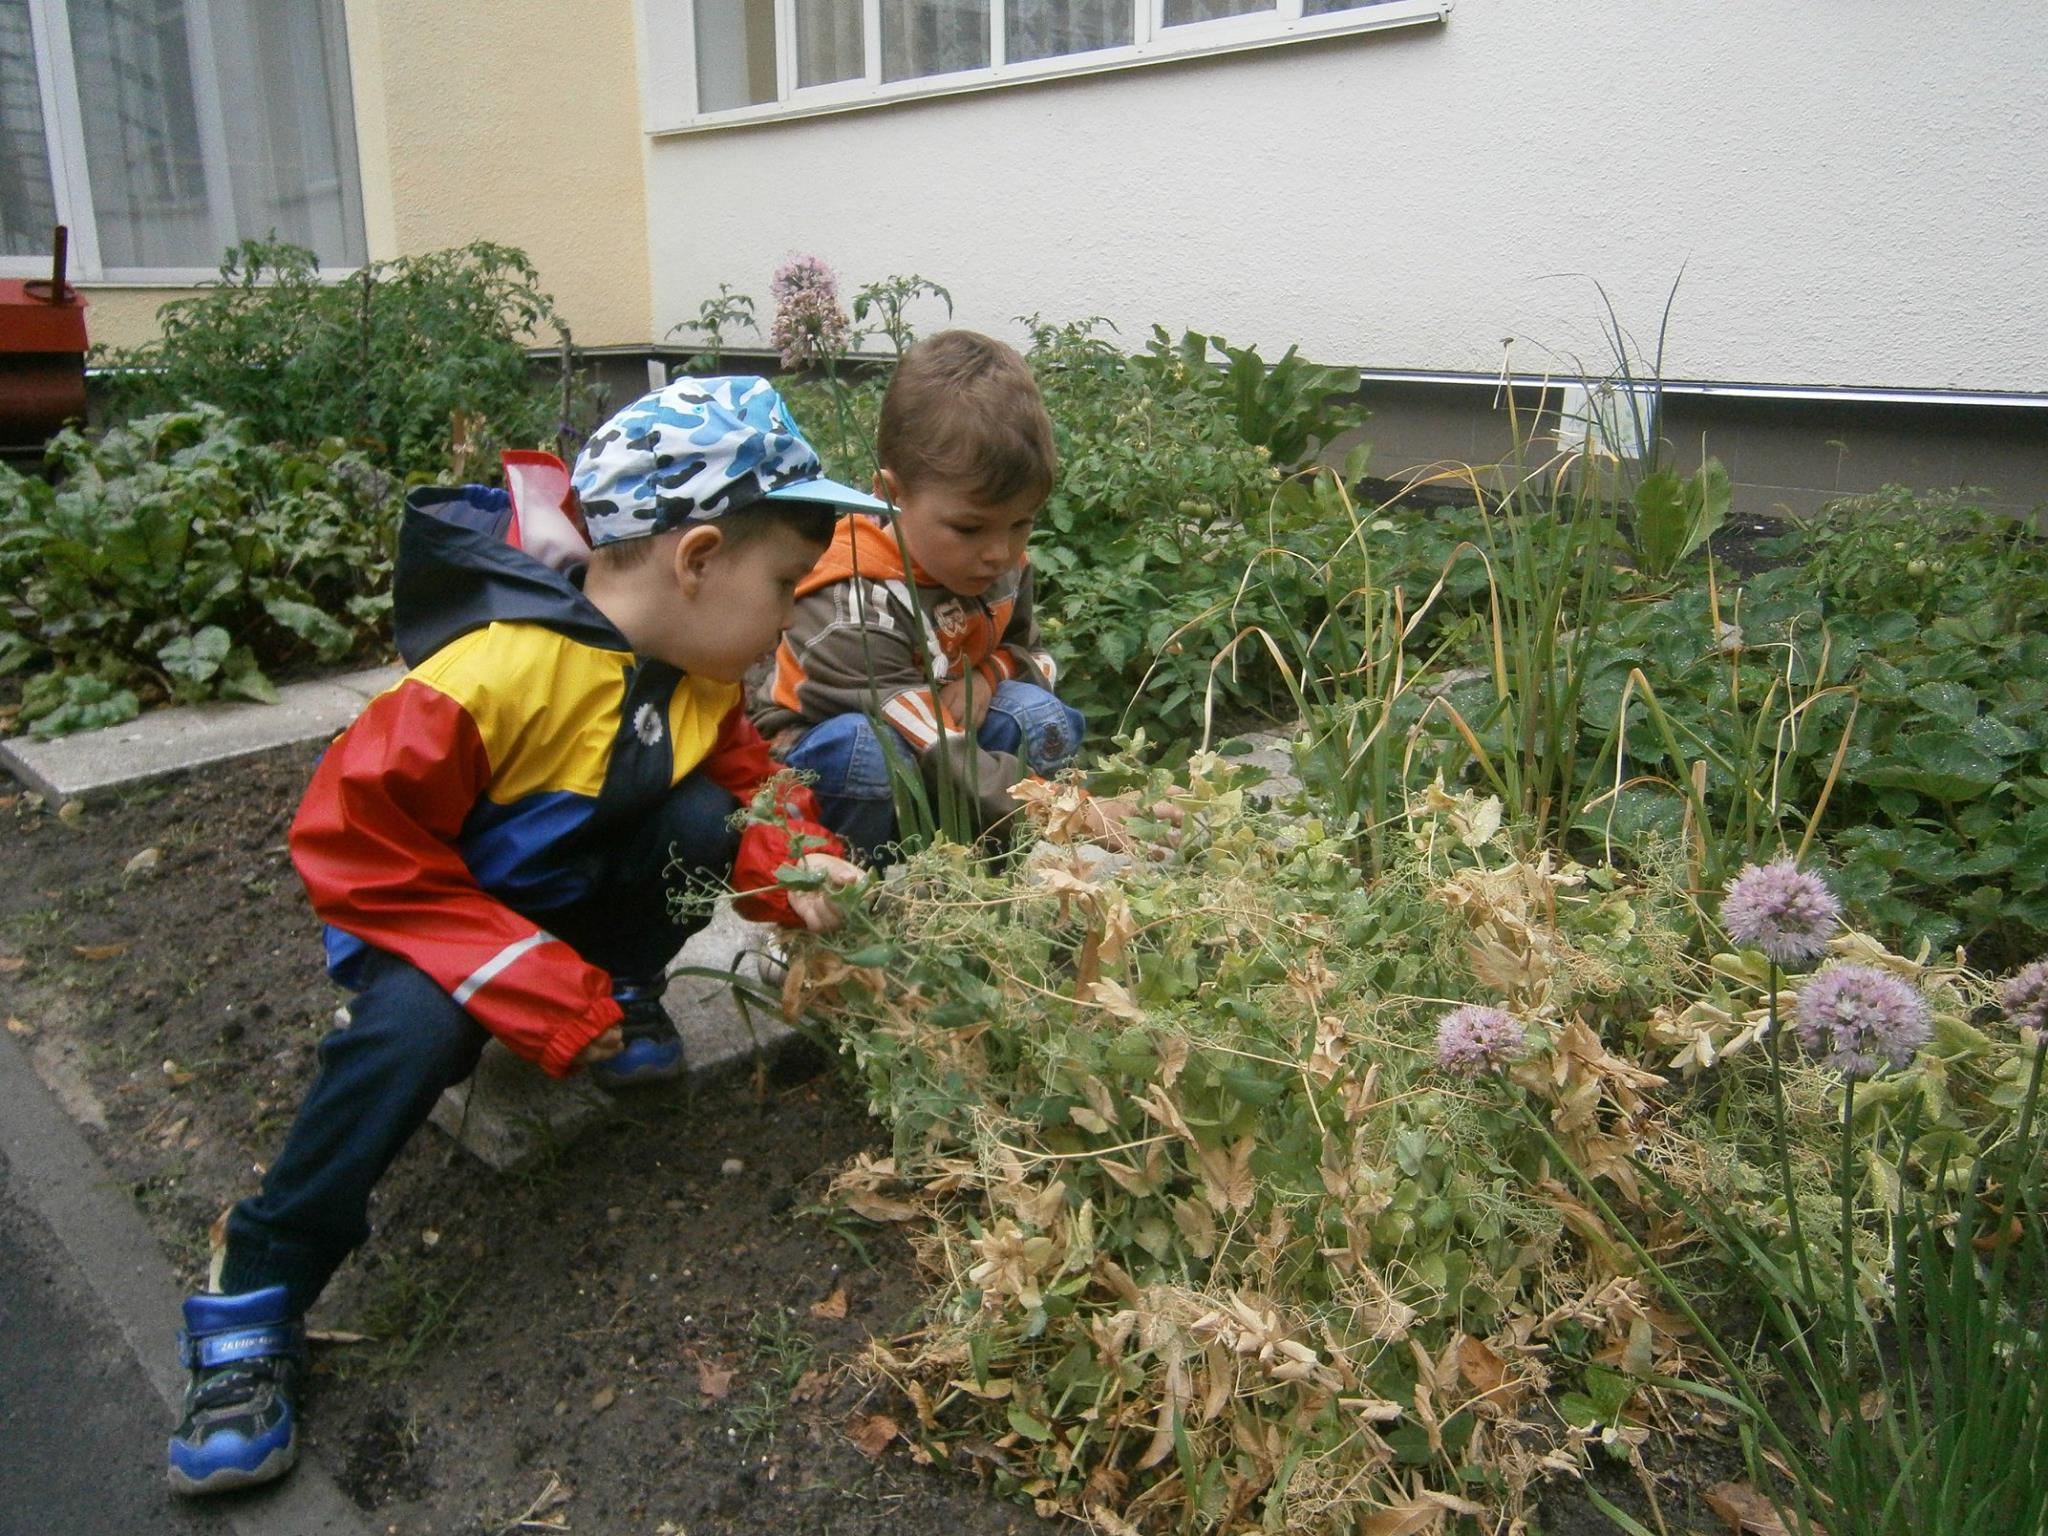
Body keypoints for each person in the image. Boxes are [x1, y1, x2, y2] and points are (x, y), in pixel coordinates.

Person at [166, 377, 870, 1495]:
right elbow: (353, 840)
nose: (791, 616)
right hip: (436, 928)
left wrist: (797, 859)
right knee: (414, 1034)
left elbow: (746, 780)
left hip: (561, 911)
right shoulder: (494, 673)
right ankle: (258, 1287)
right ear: (696, 560)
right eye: (786, 586)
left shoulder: (693, 675)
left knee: (700, 818)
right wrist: (530, 985)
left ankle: (619, 991)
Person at [753, 329, 1146, 861]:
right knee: (868, 753)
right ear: (890, 494)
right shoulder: (855, 598)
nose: (999, 553)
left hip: (941, 745)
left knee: (1036, 715)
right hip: (832, 759)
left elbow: (1036, 658)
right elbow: (931, 740)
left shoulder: (994, 564)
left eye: (1021, 524)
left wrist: (987, 676)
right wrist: (1064, 808)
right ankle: (851, 893)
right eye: (969, 528)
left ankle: (989, 880)